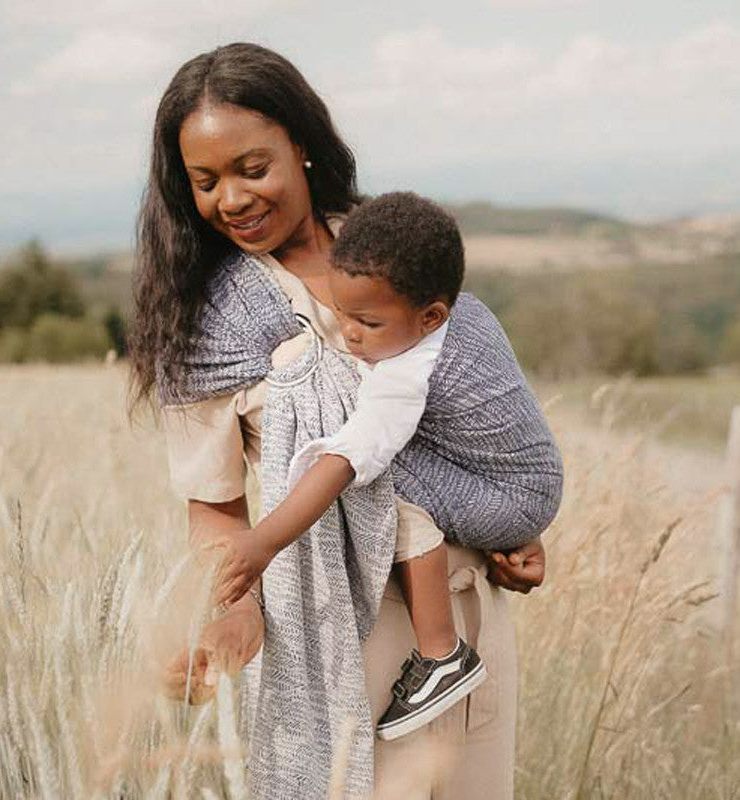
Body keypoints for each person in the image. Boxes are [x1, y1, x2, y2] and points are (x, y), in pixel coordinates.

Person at [130, 42, 549, 800]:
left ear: (302, 146)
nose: (231, 199)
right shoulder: (204, 329)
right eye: (205, 182)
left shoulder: (394, 252)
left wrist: (510, 526)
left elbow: (457, 410)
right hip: (345, 630)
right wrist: (236, 610)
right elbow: (216, 506)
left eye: (252, 168)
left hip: (471, 620)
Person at [212, 191, 562, 743]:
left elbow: (351, 458)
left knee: (374, 473)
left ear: (430, 316)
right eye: (342, 314)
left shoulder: (405, 372)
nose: (348, 334)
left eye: (367, 323)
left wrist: (264, 542)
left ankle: (441, 652)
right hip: (526, 482)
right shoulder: (466, 313)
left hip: (511, 498)